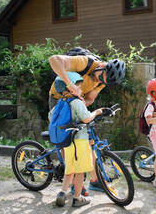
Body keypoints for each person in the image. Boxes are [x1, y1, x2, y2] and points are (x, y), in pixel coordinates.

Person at [48, 54, 126, 193]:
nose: (100, 81)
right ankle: (73, 185)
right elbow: (54, 60)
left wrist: (83, 103)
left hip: (77, 102)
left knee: (88, 141)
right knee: (67, 142)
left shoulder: (102, 81)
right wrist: (70, 84)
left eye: (104, 81)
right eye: (101, 77)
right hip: (59, 101)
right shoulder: (85, 63)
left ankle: (95, 180)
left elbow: (90, 98)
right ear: (102, 66)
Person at [49, 72, 105, 207]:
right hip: (80, 140)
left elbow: (51, 117)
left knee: (70, 168)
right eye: (79, 87)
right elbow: (86, 118)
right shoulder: (76, 102)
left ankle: (62, 192)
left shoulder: (60, 102)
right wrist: (97, 112)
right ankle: (77, 198)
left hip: (67, 141)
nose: (81, 89)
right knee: (80, 171)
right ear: (70, 89)